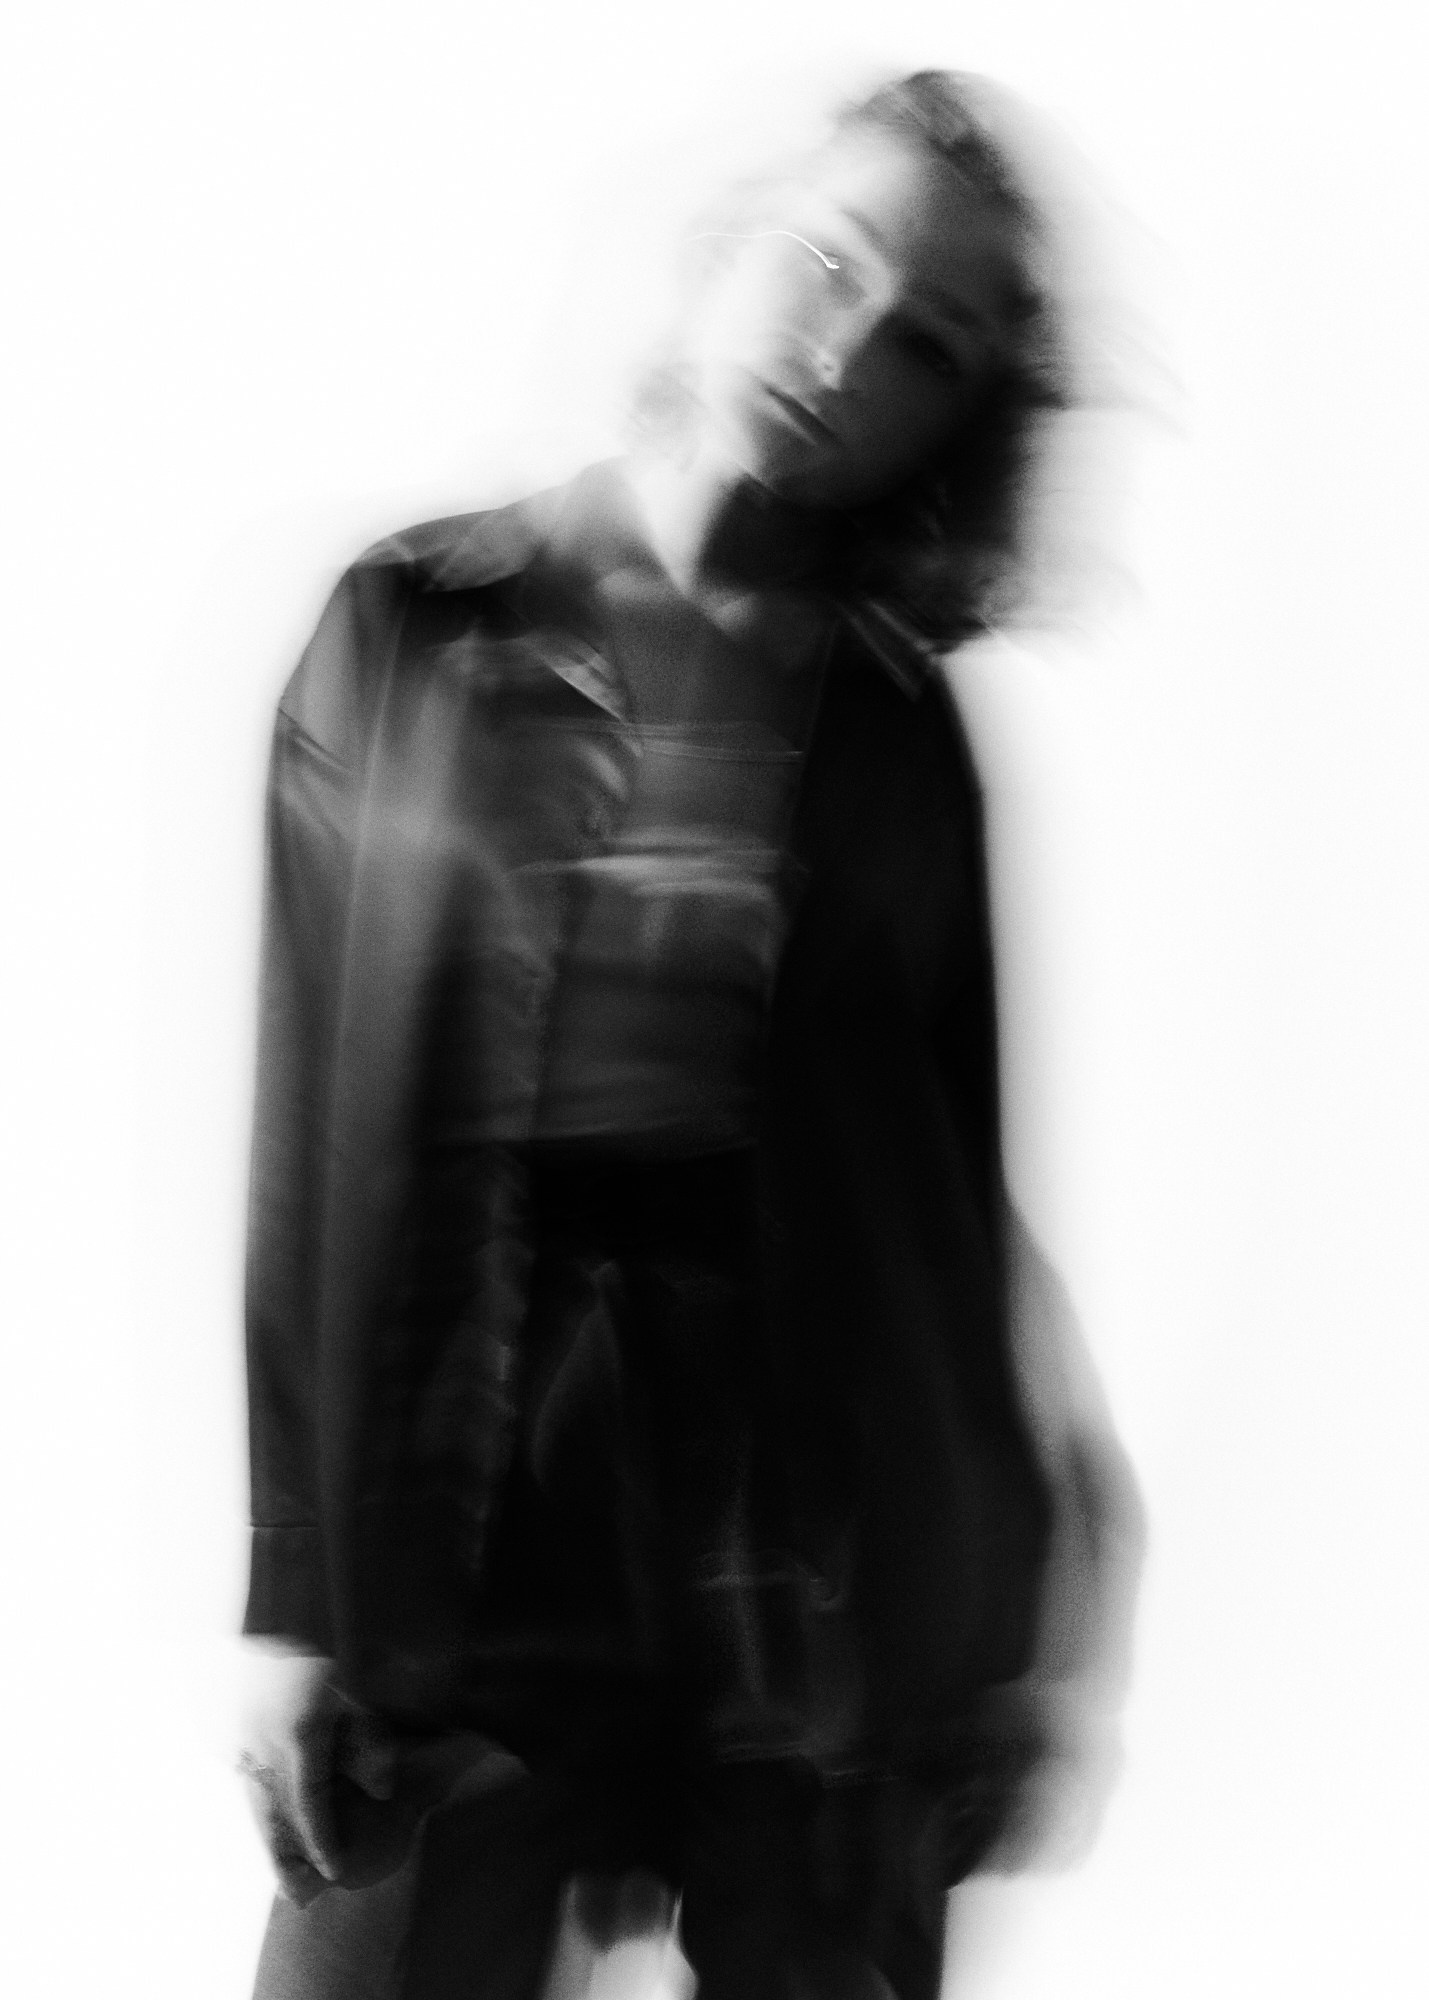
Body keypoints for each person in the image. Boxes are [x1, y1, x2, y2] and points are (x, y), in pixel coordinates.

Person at [237, 68, 1135, 2000]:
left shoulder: (901, 730)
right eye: (828, 264)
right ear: (726, 250)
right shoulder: (406, 629)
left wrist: (1017, 1622)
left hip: (816, 1511)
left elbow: (954, 1178)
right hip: (474, 1481)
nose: (848, 349)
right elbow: (311, 1128)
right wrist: (293, 1599)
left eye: (927, 344)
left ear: (954, 418)